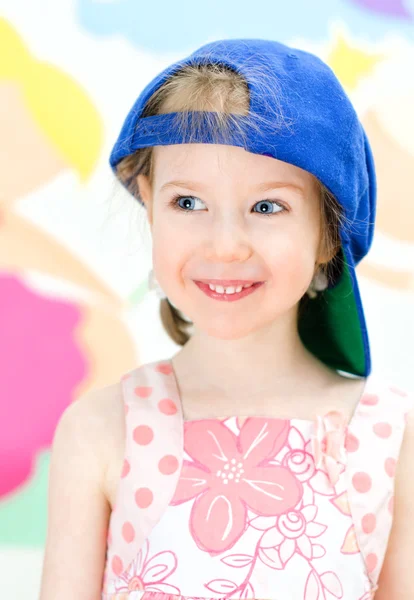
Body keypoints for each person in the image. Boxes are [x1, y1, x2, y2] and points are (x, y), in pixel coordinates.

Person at [39, 39, 414, 600]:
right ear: (148, 197)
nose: (226, 244)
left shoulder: (391, 436)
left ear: (327, 234)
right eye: (188, 203)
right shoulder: (98, 430)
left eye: (268, 207)